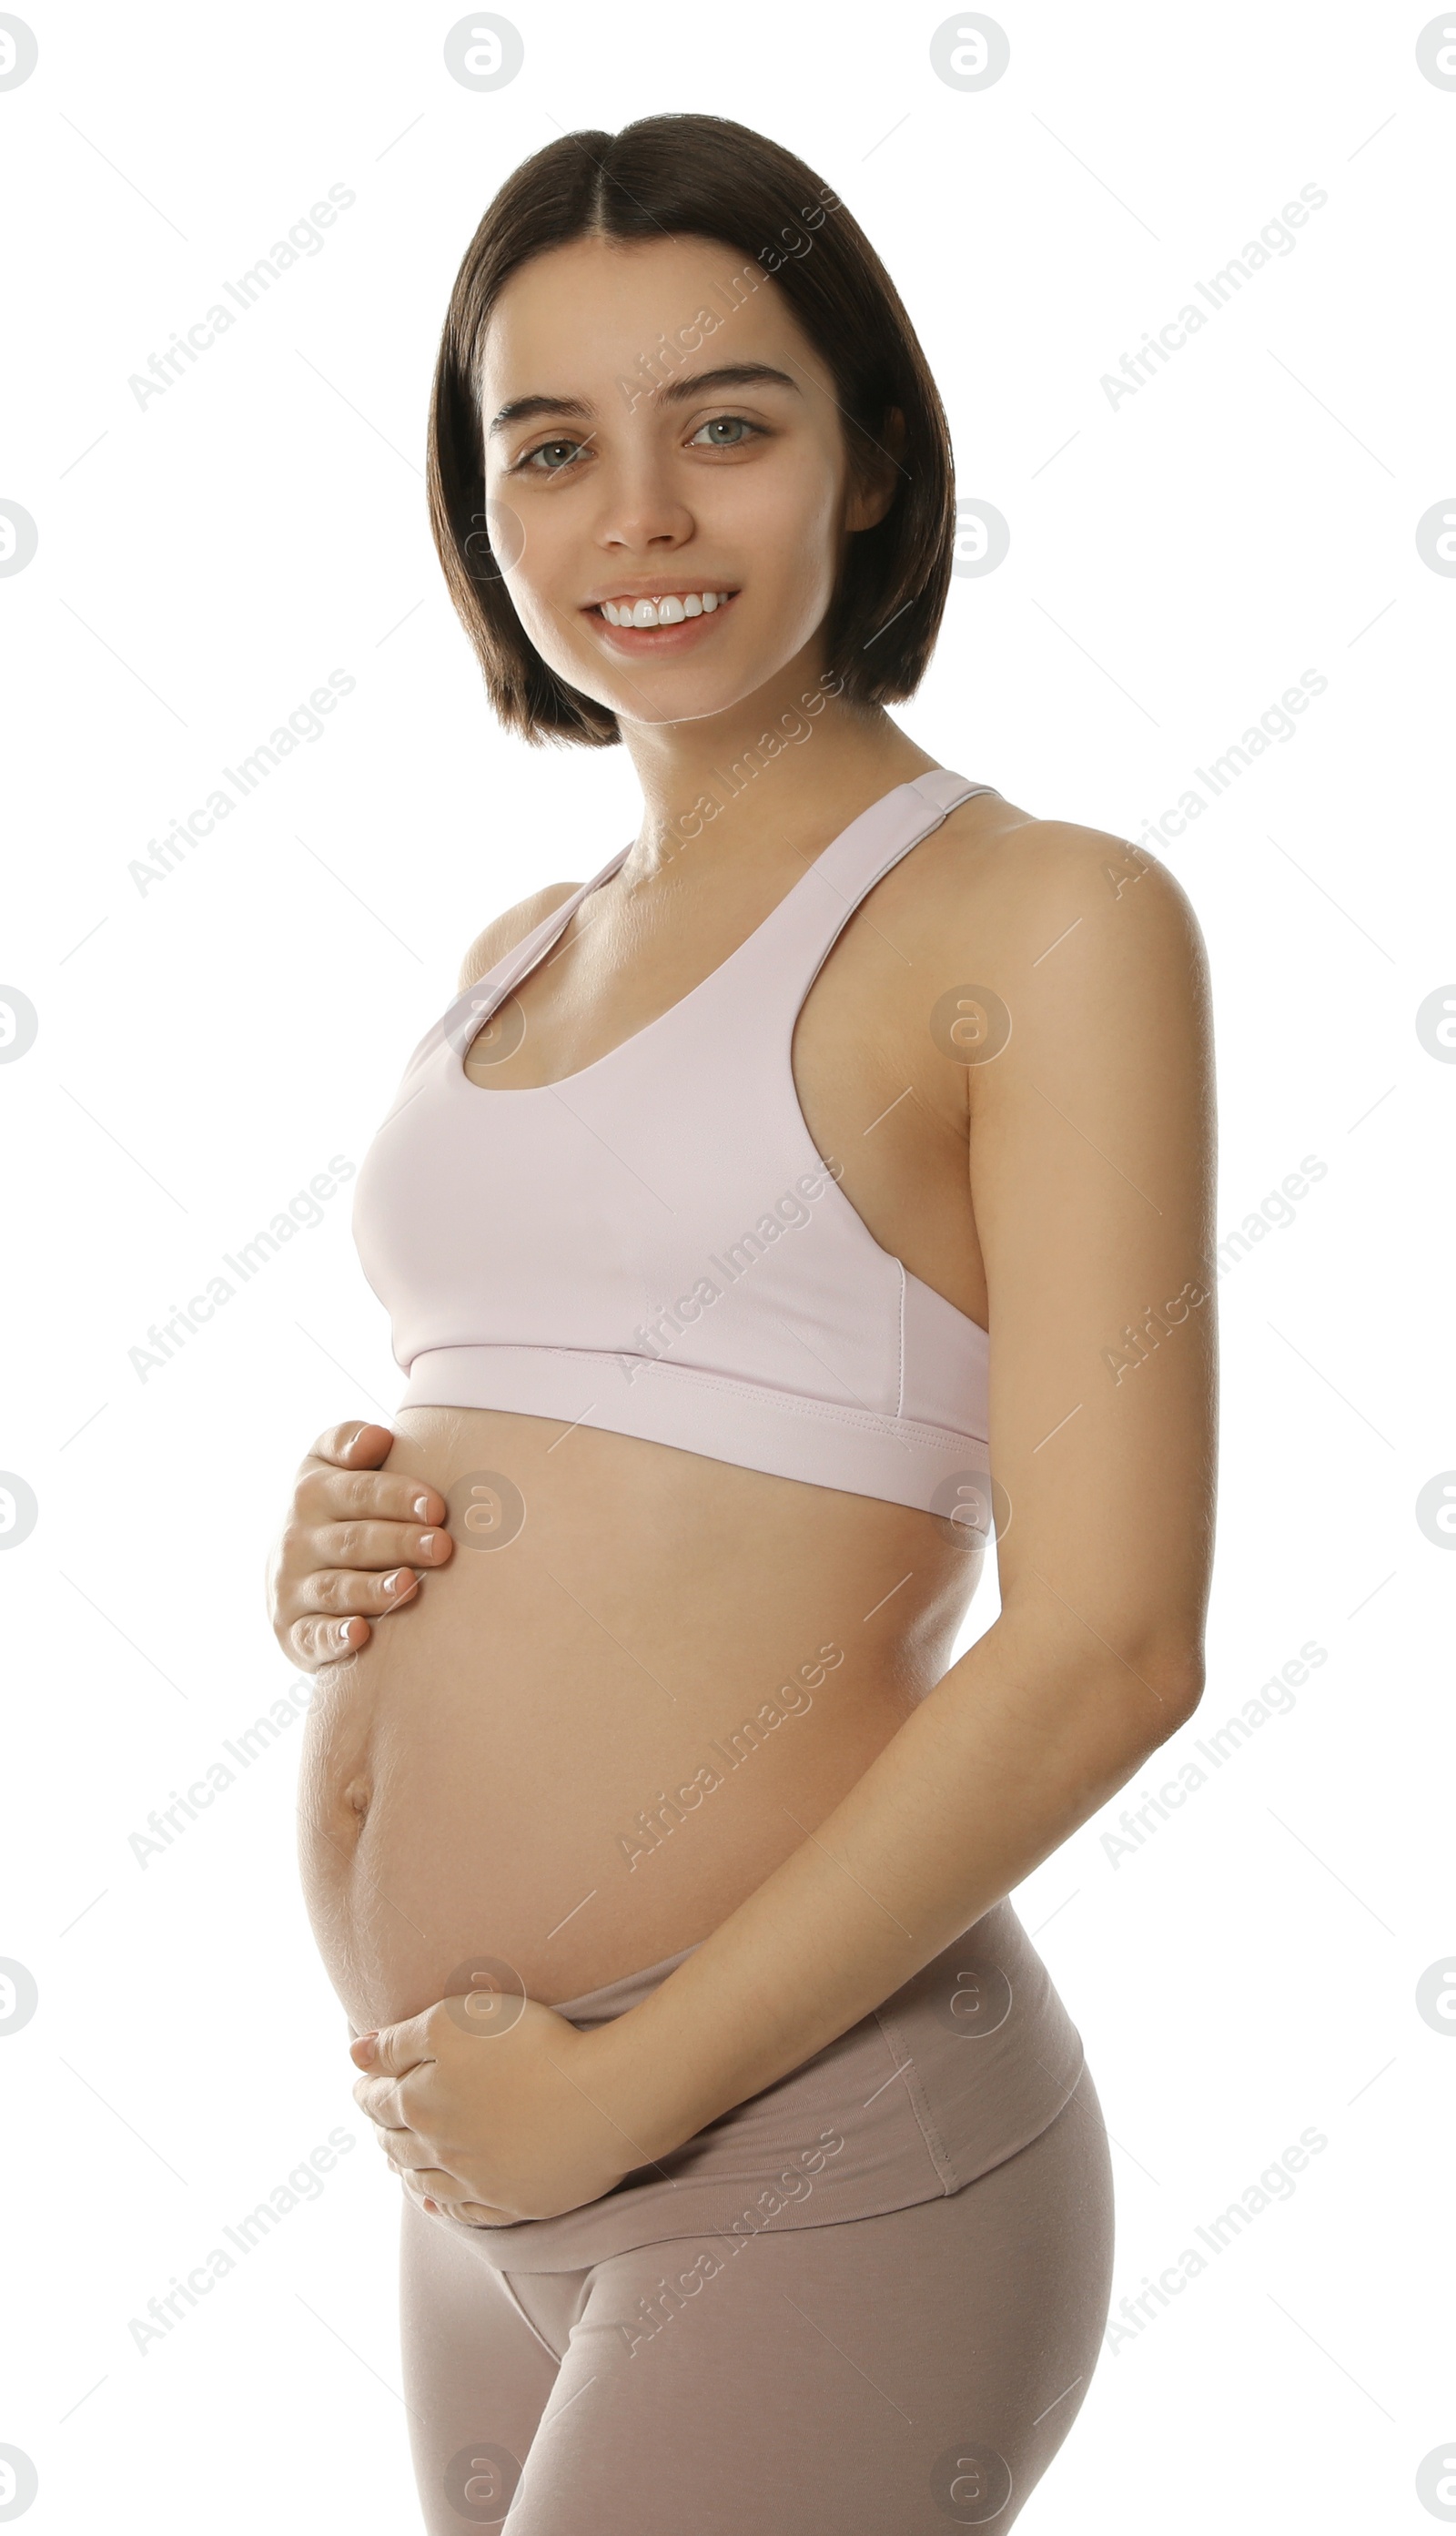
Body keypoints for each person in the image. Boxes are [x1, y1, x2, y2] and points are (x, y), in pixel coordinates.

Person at [268, 112, 1216, 2535]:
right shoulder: (513, 954)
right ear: (478, 505)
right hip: (469, 2150)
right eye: (551, 448)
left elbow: (1112, 1644)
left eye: (729, 423)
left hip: (804, 2138)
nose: (641, 522)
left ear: (871, 456)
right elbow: (591, 1423)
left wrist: (633, 2075)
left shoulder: (1044, 921)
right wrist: (356, 1550)